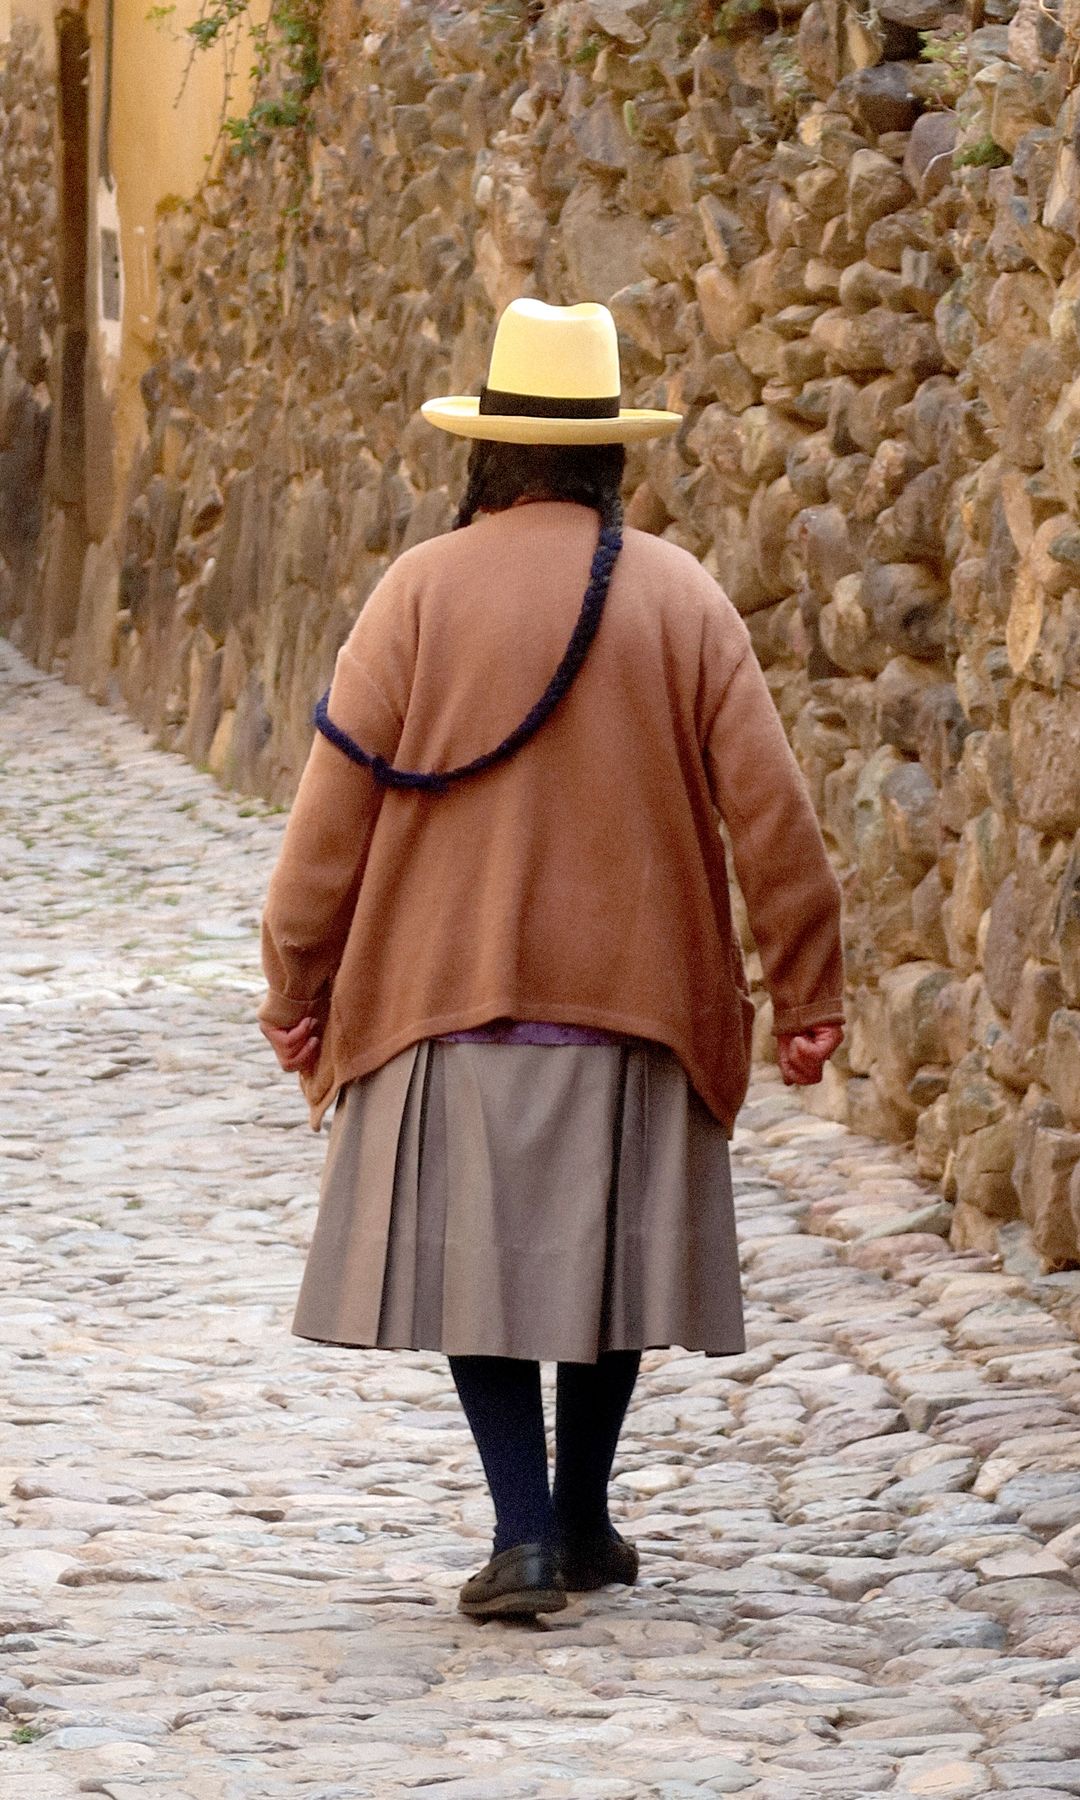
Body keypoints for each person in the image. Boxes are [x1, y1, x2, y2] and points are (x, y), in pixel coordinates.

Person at [257, 299, 844, 1622]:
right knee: (609, 1259)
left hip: (449, 995)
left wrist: (297, 986)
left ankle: (525, 1529)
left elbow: (326, 826)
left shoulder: (416, 591)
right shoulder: (682, 597)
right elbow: (773, 811)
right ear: (609, 456)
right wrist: (807, 993)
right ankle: (582, 1516)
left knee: (484, 1259)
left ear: (487, 454)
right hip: (638, 1000)